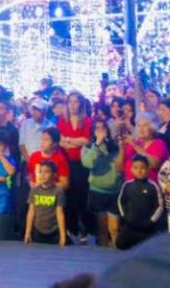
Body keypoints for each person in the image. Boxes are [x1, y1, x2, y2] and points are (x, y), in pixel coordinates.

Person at [58, 91, 93, 242]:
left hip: (82, 162)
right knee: (69, 195)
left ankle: (86, 229)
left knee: (82, 195)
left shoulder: (87, 121)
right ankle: (71, 229)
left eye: (75, 101)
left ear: (81, 103)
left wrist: (68, 140)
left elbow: (86, 140)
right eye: (70, 102)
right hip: (66, 161)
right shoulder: (61, 121)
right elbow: (60, 142)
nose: (72, 105)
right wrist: (73, 141)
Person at [81, 119, 122, 247]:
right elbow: (87, 163)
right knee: (102, 229)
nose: (100, 132)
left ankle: (115, 251)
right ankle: (103, 254)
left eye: (103, 128)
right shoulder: (88, 147)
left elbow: (120, 165)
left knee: (114, 228)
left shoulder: (114, 147)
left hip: (114, 190)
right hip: (97, 191)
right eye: (97, 128)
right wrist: (97, 145)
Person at [115, 155, 164, 250]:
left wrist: (151, 221)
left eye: (143, 168)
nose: (139, 171)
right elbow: (121, 201)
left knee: (147, 250)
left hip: (147, 227)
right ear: (131, 169)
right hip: (130, 225)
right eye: (136, 168)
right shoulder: (127, 185)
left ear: (148, 169)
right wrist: (125, 217)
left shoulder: (153, 186)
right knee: (120, 245)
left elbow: (160, 206)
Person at [24, 161, 66, 247]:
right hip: (37, 230)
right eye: (41, 172)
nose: (43, 175)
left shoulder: (58, 191)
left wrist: (62, 235)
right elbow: (31, 212)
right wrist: (27, 232)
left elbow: (59, 213)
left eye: (46, 172)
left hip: (54, 231)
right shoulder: (34, 190)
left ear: (54, 175)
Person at [122, 116, 169, 184]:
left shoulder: (158, 144)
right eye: (138, 126)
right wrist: (122, 149)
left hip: (150, 188)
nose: (141, 129)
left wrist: (134, 145)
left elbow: (155, 164)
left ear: (153, 129)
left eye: (145, 126)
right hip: (130, 186)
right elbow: (119, 168)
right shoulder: (134, 143)